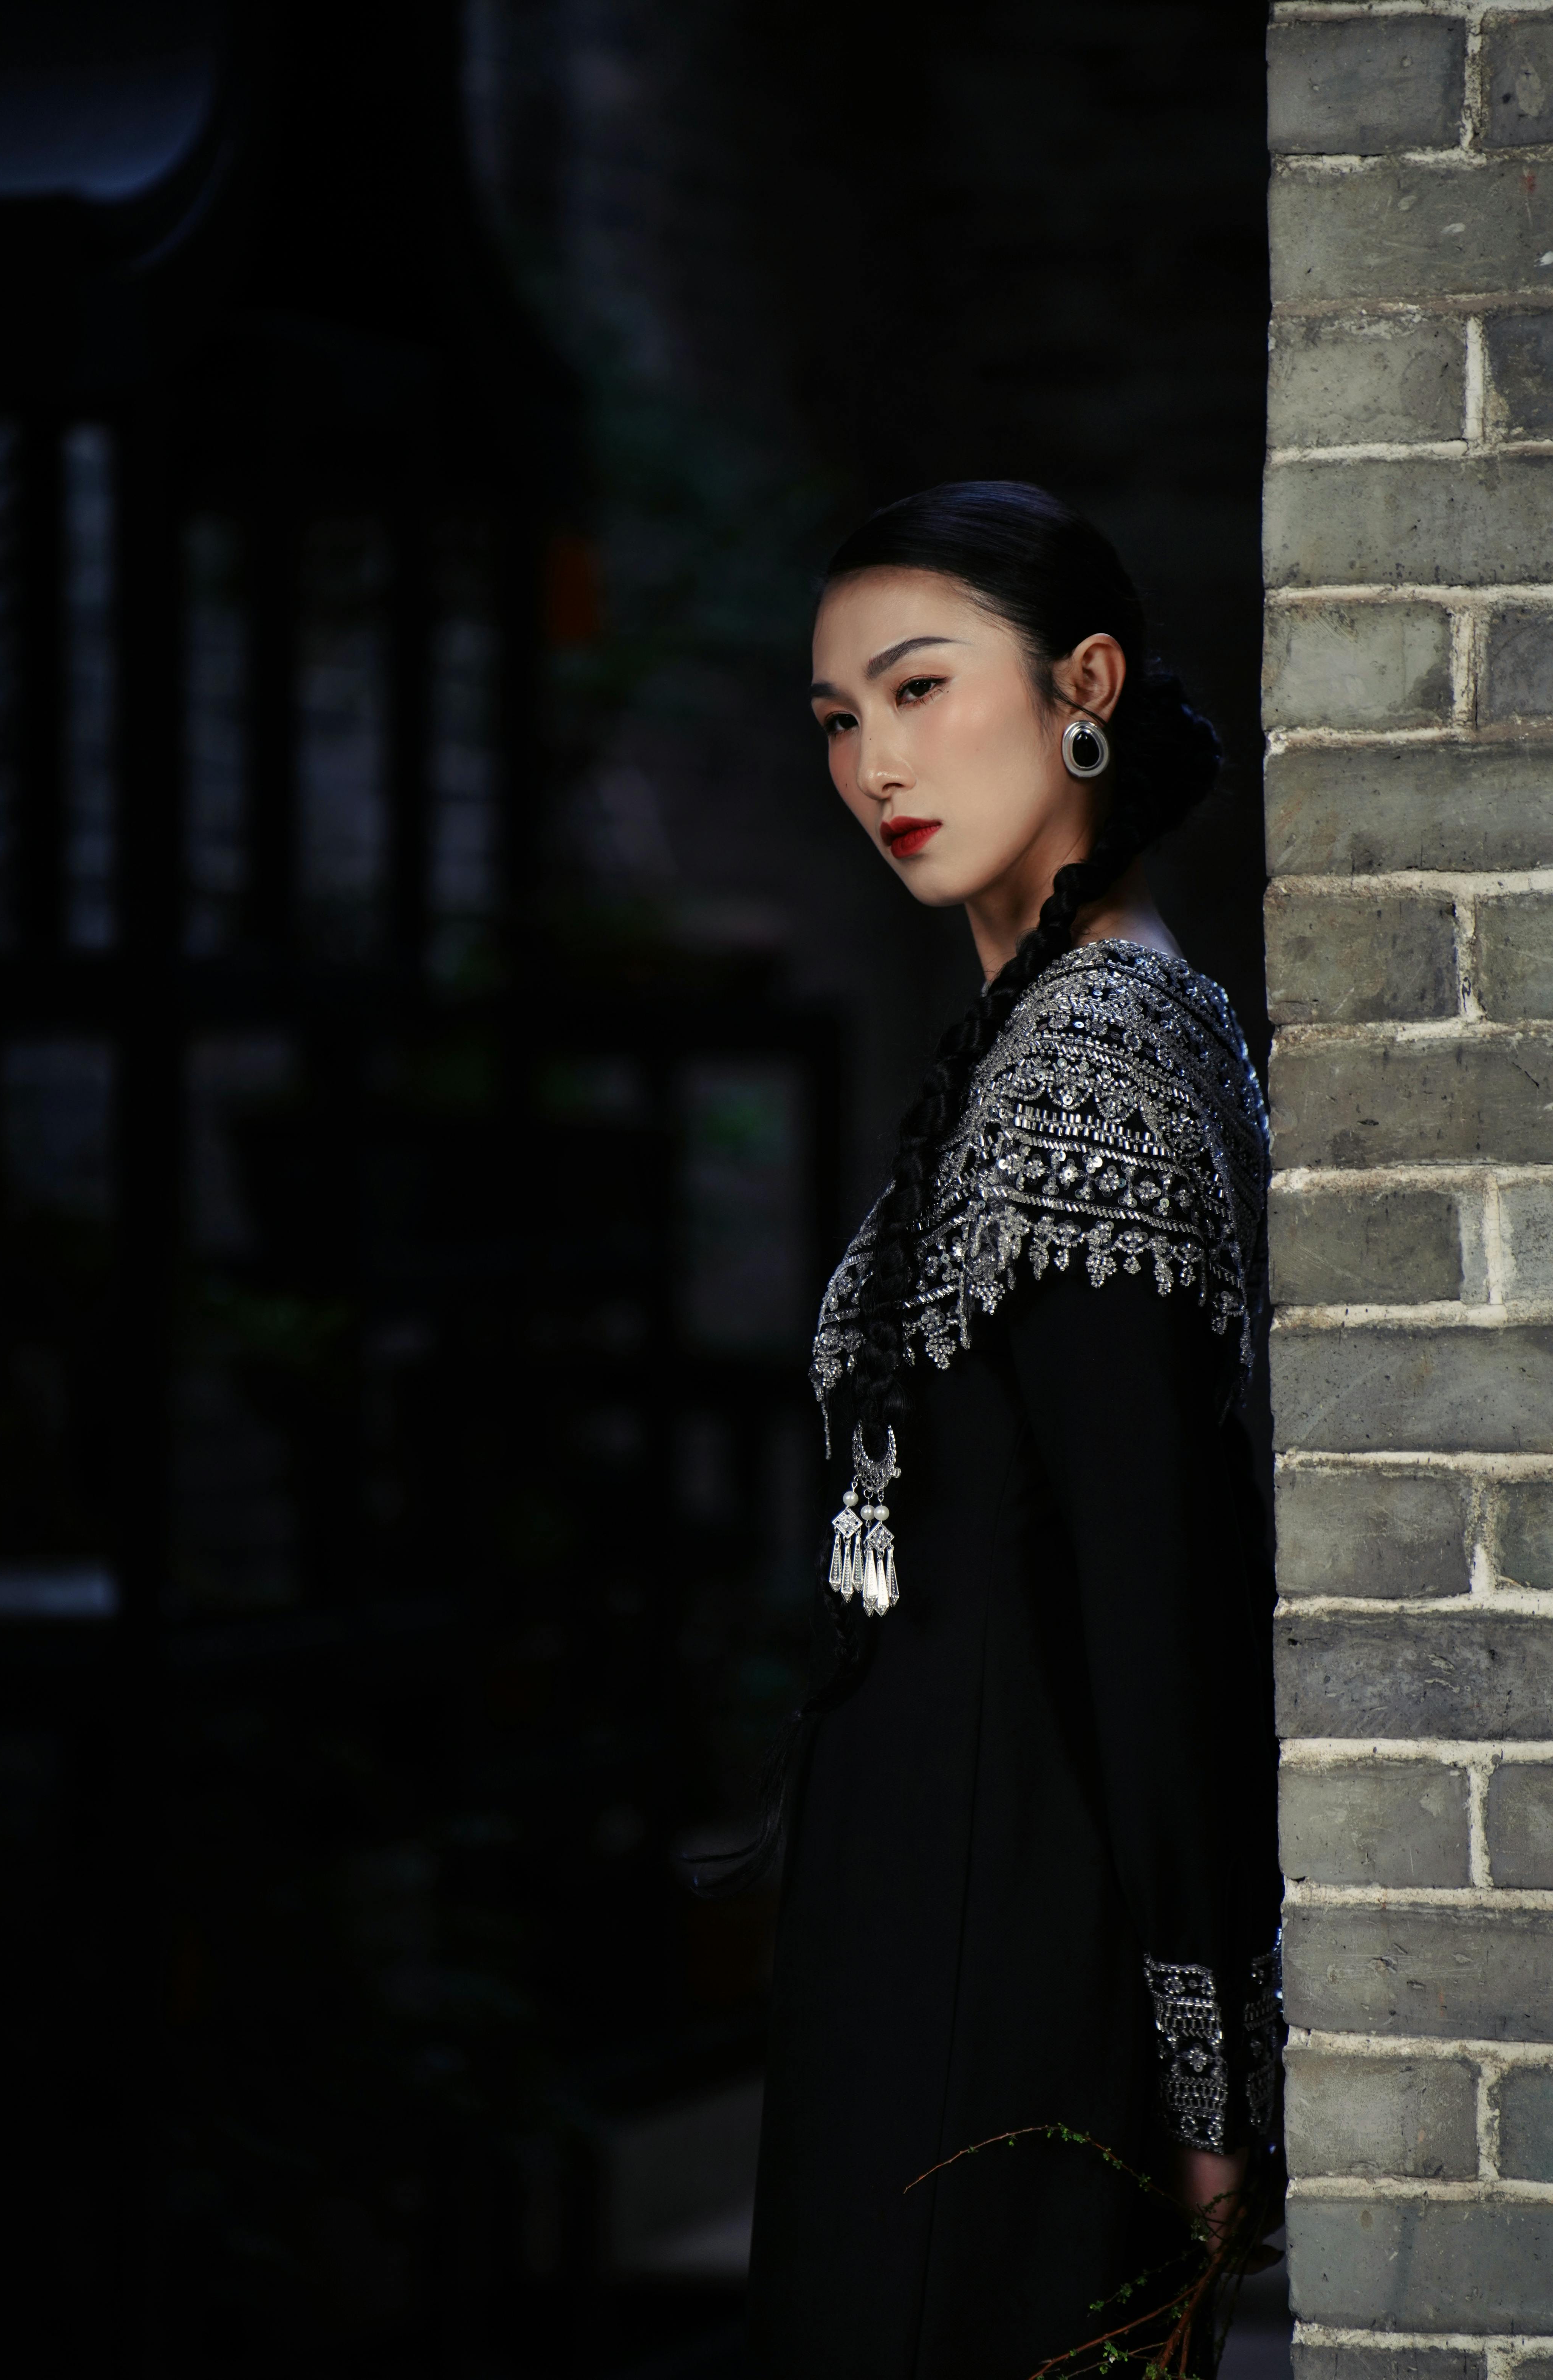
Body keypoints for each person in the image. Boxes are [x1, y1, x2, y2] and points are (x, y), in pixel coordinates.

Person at [743, 483, 1281, 2377]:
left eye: (916, 688)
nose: (873, 763)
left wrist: (1208, 2080)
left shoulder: (1093, 1060)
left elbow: (1163, 1607)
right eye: (837, 719)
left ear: (1085, 686)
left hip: (1008, 1974)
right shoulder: (1067, 1022)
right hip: (934, 1930)